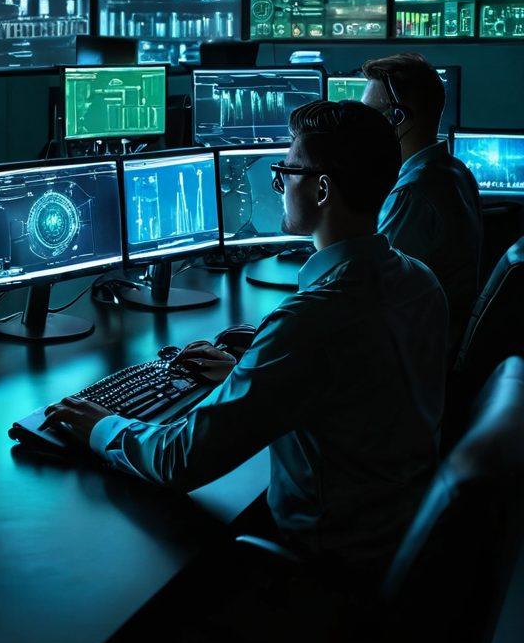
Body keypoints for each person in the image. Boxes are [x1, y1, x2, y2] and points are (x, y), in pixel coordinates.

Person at [44, 101, 449, 573]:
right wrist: (249, 373)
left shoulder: (312, 319)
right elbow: (354, 391)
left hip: (327, 561)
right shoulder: (421, 283)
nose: (277, 186)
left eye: (285, 172)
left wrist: (101, 426)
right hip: (400, 535)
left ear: (321, 189)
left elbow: (181, 461)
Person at [360, 53, 482, 357]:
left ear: (397, 119)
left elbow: (363, 291)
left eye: (369, 116)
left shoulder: (412, 194)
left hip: (408, 356)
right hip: (431, 339)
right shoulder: (454, 170)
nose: (361, 128)